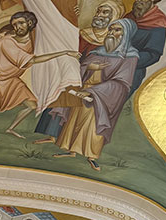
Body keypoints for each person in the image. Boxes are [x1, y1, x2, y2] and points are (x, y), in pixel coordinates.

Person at [0, 13, 79, 144]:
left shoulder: (34, 41)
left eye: (21, 23)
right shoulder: (7, 42)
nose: (17, 27)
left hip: (10, 79)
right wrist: (64, 53)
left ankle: (10, 128)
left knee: (32, 106)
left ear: (30, 23)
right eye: (14, 24)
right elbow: (33, 60)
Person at [52, 19, 139, 171]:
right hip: (83, 91)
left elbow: (122, 83)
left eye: (117, 30)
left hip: (102, 97)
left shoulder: (130, 56)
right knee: (74, 121)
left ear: (126, 34)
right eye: (111, 29)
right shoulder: (97, 51)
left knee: (95, 124)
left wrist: (94, 91)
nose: (111, 33)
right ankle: (70, 149)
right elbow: (81, 68)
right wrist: (89, 67)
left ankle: (91, 156)